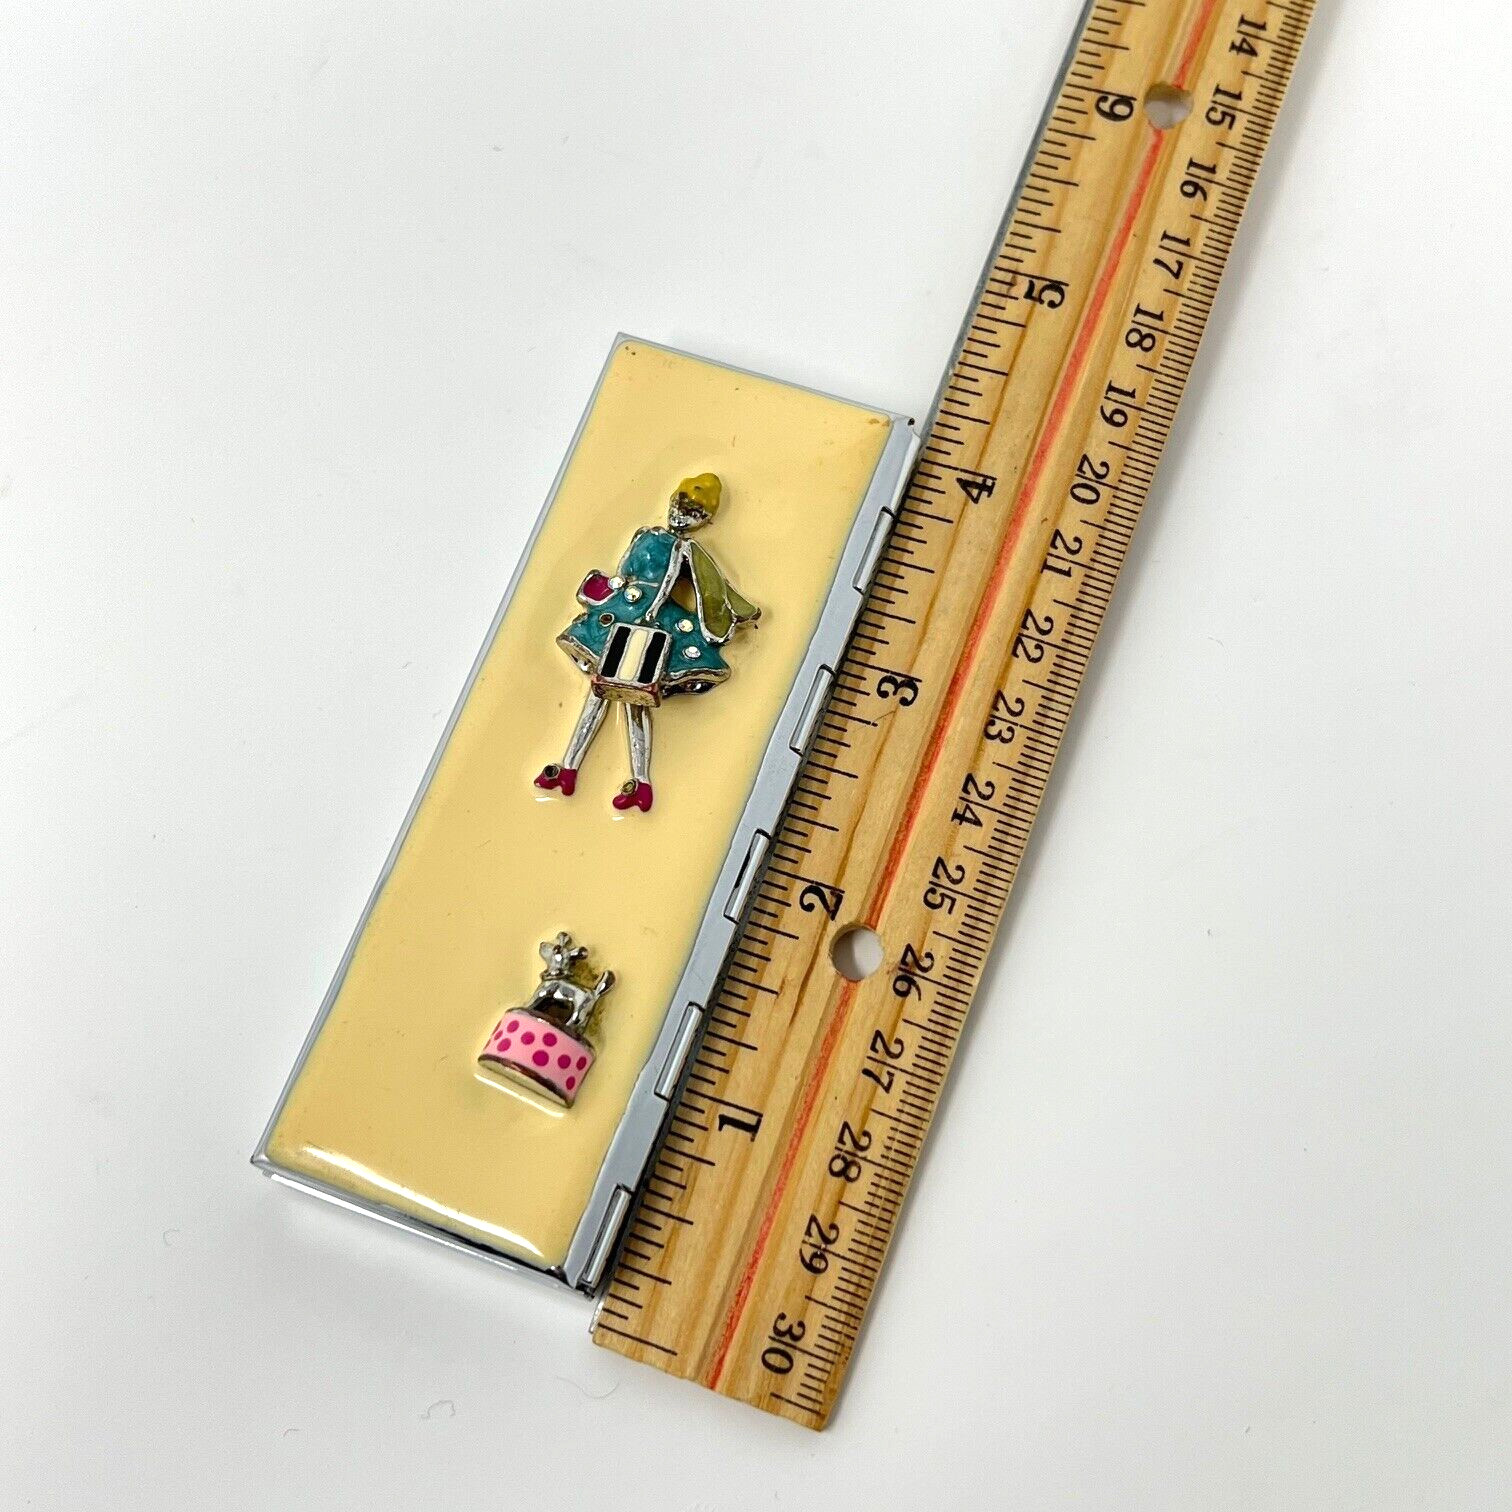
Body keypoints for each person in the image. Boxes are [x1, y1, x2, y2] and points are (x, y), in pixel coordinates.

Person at [534, 472, 760, 812]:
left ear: (705, 520)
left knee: (634, 703)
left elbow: (691, 587)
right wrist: (606, 590)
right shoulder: (645, 533)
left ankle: (637, 781)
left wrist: (651, 618)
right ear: (671, 502)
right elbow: (623, 572)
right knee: (598, 694)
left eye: (695, 512)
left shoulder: (686, 549)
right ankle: (571, 768)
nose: (682, 514)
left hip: (642, 626)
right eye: (681, 504)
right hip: (620, 610)